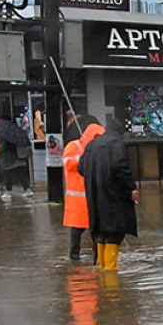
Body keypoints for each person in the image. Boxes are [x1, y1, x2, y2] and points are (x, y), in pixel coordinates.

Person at [78, 116, 138, 271]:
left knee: (102, 233)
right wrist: (132, 187)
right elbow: (120, 167)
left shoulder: (92, 144)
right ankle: (110, 275)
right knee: (114, 232)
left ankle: (103, 271)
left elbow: (80, 168)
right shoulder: (116, 143)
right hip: (113, 196)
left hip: (95, 198)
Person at [63, 114, 105, 262]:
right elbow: (68, 163)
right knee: (76, 232)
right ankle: (74, 259)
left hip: (94, 197)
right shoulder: (74, 146)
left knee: (96, 232)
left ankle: (97, 259)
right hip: (78, 199)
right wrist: (83, 156)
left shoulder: (98, 149)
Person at [0, 131, 33, 200]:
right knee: (20, 174)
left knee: (8, 175)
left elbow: (4, 147)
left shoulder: (5, 136)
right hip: (18, 157)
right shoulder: (16, 134)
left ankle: (8, 192)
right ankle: (27, 190)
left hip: (9, 159)